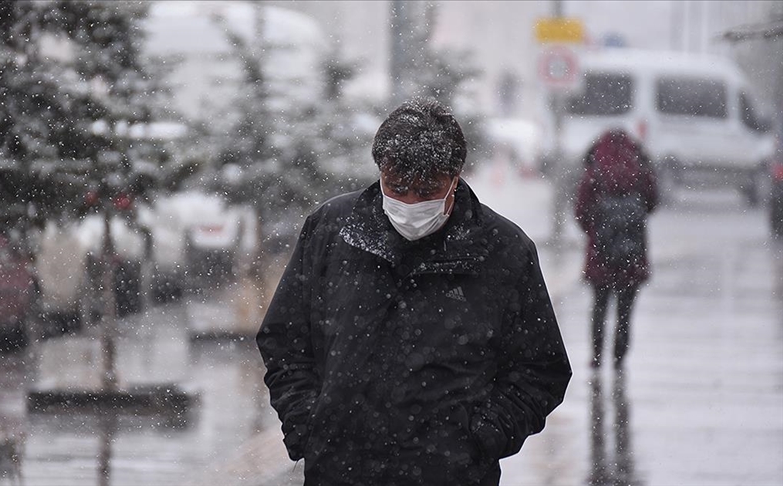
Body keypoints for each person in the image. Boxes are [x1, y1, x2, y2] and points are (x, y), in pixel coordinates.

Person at [257, 97, 572, 485]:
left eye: (426, 191)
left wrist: (482, 437)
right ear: (380, 173)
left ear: (455, 178)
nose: (409, 203)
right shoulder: (332, 230)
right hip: (339, 470)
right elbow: (285, 340)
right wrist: (307, 423)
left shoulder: (503, 252)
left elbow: (540, 370)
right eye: (398, 187)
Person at [574, 129, 658, 369]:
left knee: (600, 307)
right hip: (632, 254)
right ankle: (619, 358)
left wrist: (597, 229)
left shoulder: (594, 172)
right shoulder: (640, 171)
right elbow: (652, 203)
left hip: (600, 254)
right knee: (625, 311)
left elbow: (581, 212)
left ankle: (597, 356)